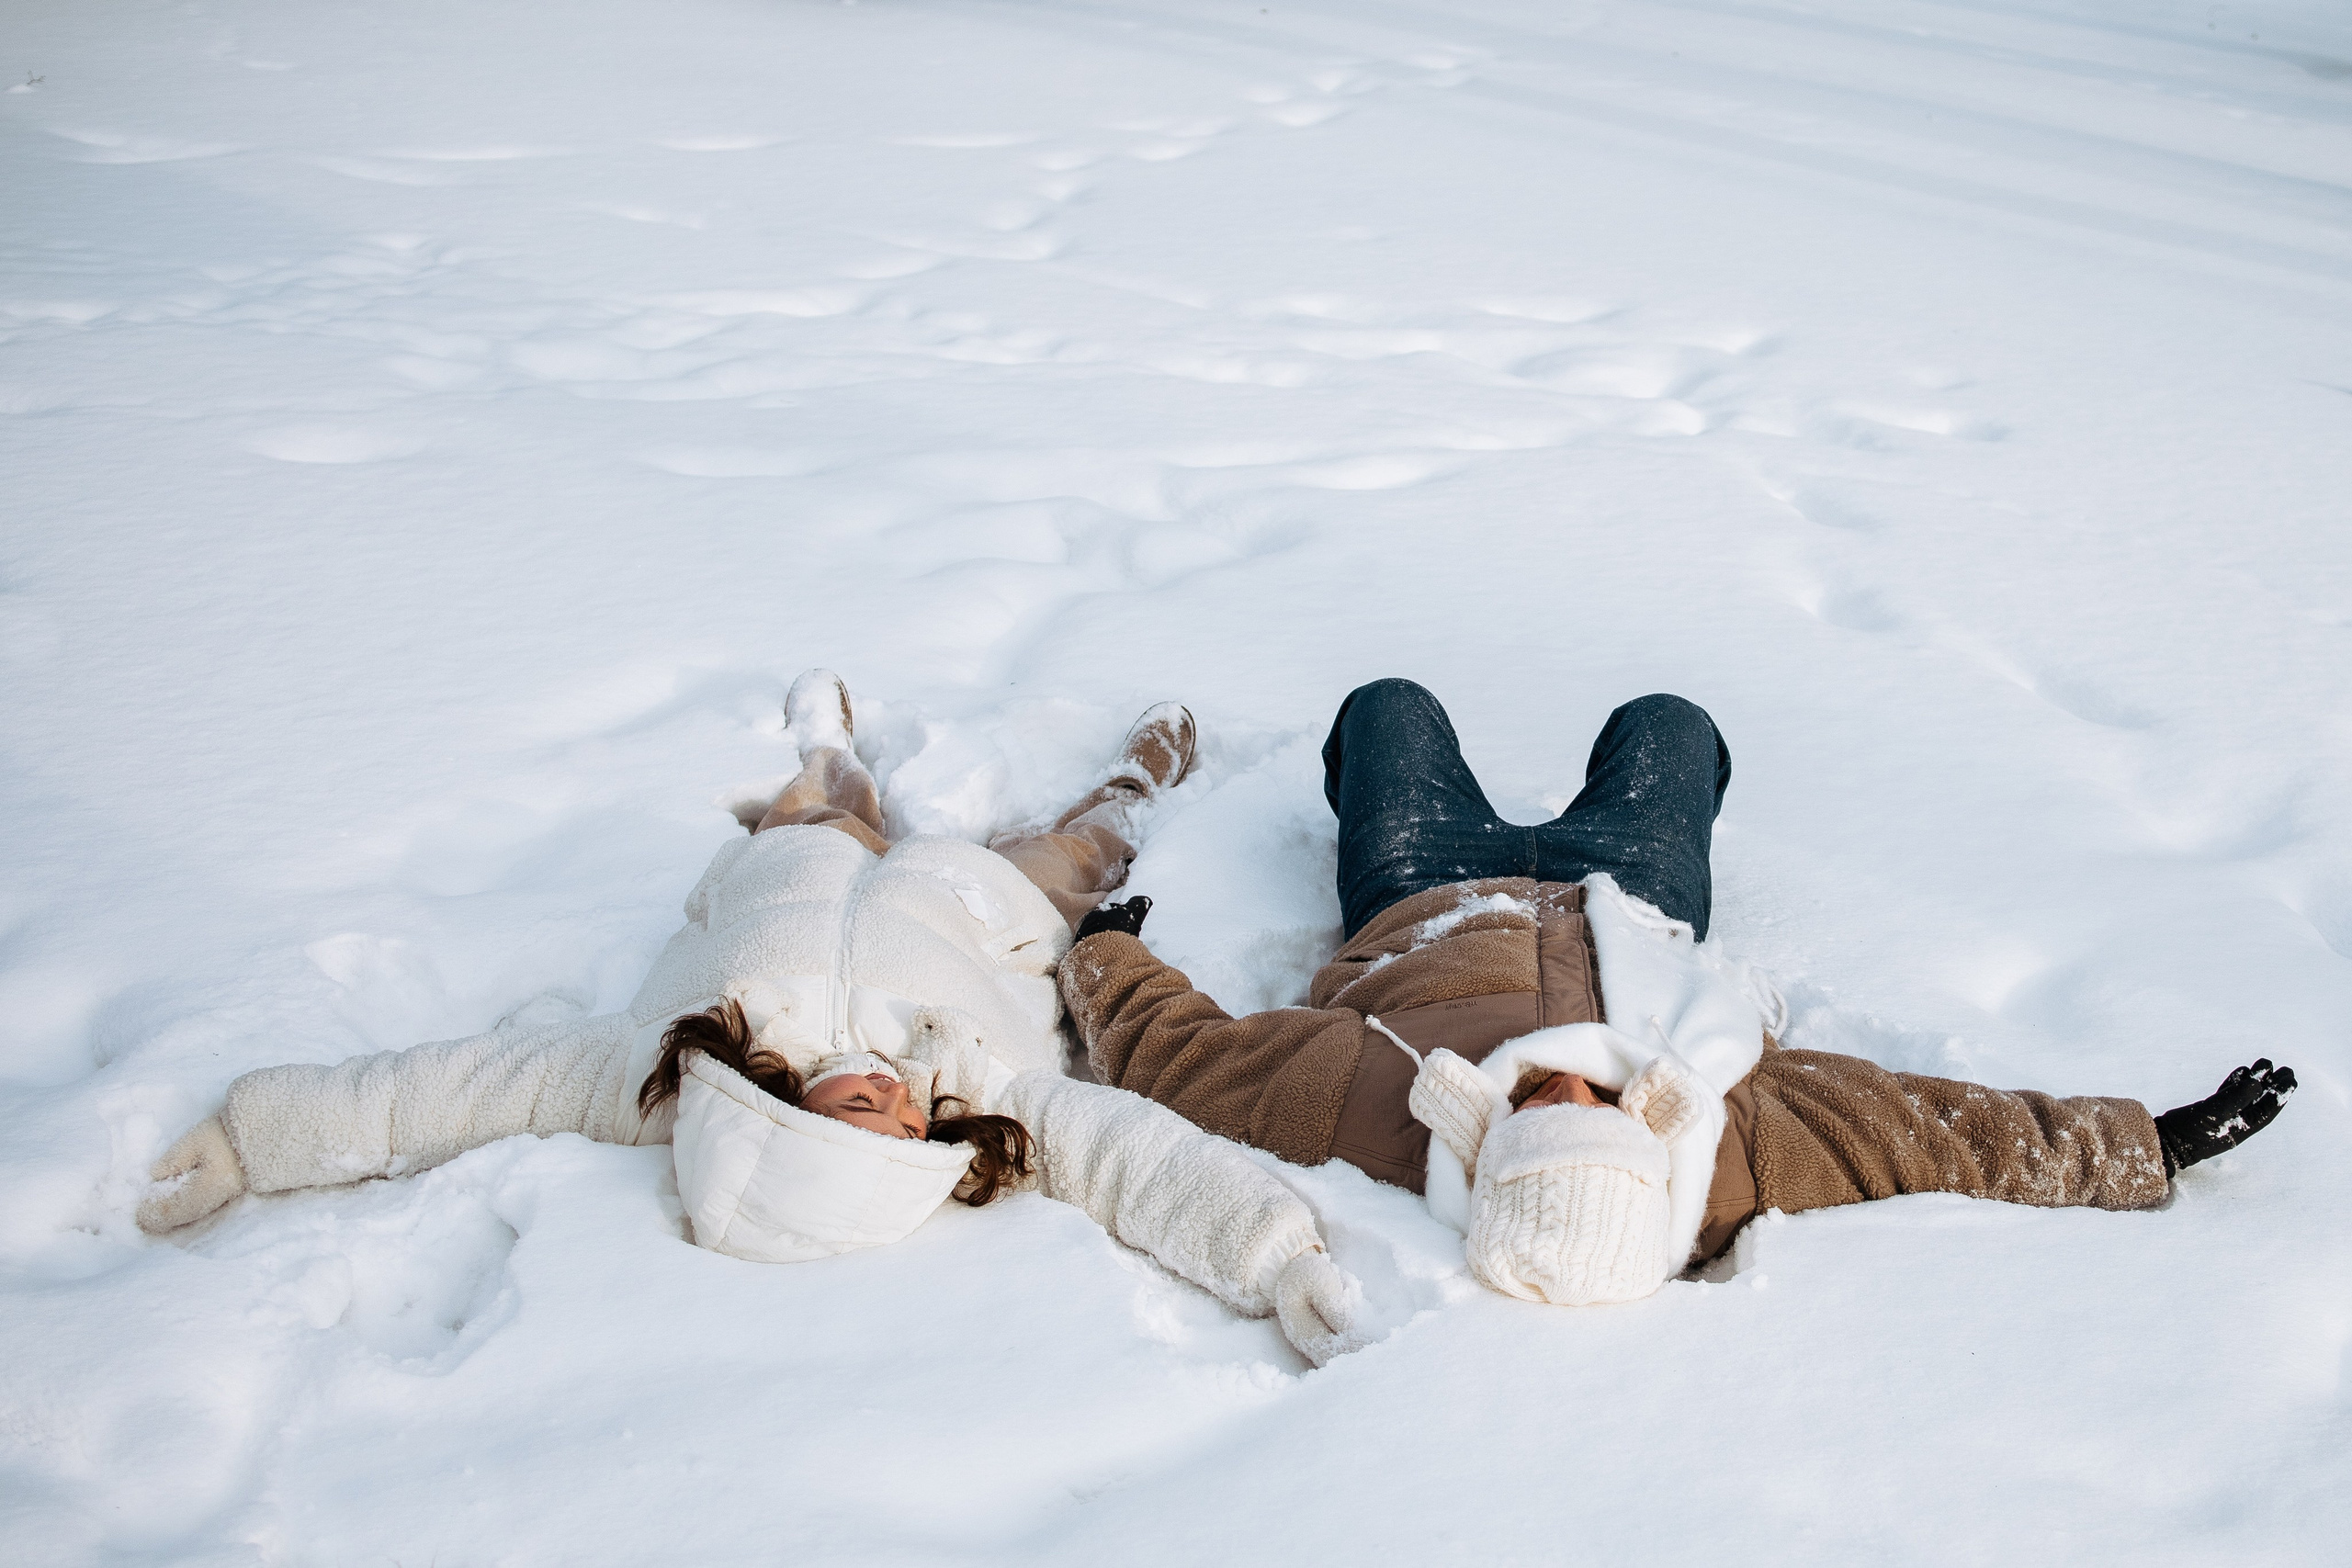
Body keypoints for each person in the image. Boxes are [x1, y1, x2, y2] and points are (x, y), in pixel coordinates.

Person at [135, 671, 1367, 1365]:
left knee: (824, 802)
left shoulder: (666, 1071)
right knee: (1085, 846)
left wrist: (256, 1137)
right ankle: (1144, 768)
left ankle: (829, 742)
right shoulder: (967, 1092)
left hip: (798, 870)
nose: (890, 1105)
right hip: (983, 908)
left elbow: (455, 1091)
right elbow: (1127, 1161)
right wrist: (1277, 1257)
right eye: (901, 1136)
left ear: (781, 1108)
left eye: (854, 1117)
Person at [1058, 678, 2299, 1307]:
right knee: (1671, 721)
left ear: (1485, 1145)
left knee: (1385, 709)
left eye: (1534, 1108)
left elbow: (1178, 1060)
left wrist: (1109, 952)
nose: (1561, 1080)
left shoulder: (1365, 1114)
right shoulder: (1729, 1143)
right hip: (1630, 894)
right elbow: (1939, 1138)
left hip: (1424, 887)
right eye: (1587, 1108)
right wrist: (2148, 1144)